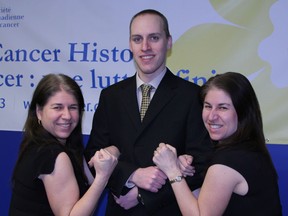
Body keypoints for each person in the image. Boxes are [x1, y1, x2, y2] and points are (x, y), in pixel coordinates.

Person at [85, 9, 212, 215]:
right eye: (137, 39)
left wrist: (144, 195)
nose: (145, 47)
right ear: (130, 45)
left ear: (168, 42)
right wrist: (133, 175)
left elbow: (202, 163)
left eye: (154, 38)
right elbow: (93, 157)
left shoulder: (192, 96)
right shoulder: (111, 96)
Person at [153, 72, 282, 216]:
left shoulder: (228, 162)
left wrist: (172, 171)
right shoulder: (244, 149)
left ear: (243, 112)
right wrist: (180, 172)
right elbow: (204, 205)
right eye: (208, 106)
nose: (212, 116)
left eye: (223, 108)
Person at [9, 74, 119, 216]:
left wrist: (114, 151)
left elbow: (88, 178)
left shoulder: (43, 144)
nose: (67, 115)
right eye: (57, 107)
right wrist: (102, 178)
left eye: (73, 107)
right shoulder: (52, 155)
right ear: (39, 112)